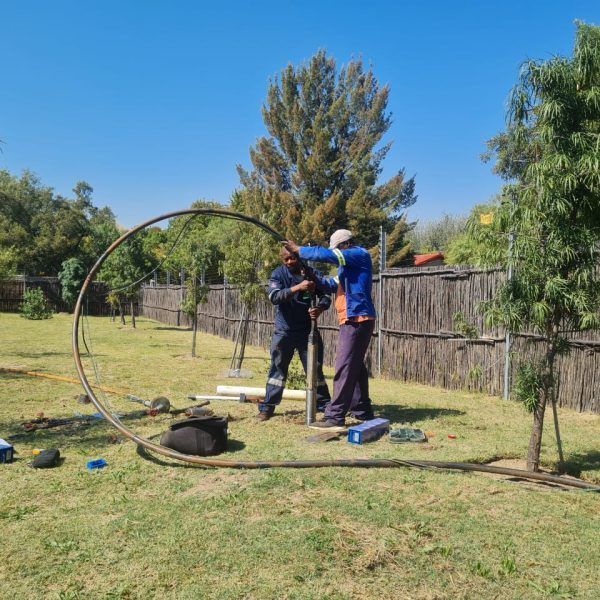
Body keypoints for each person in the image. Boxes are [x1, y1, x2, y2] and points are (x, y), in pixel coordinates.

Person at [284, 229, 376, 431]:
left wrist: (299, 249)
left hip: (357, 319)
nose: (336, 252)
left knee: (344, 366)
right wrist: (311, 275)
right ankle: (362, 410)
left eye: (337, 249)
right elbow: (328, 285)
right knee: (354, 365)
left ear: (345, 245)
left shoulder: (359, 254)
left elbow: (326, 255)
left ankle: (335, 416)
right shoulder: (347, 269)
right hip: (353, 319)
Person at [256, 247, 332, 421]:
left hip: (308, 331)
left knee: (315, 370)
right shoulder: (278, 274)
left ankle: (324, 405)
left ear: (299, 257)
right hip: (284, 332)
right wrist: (299, 287)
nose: (289, 262)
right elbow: (274, 297)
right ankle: (268, 407)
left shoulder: (312, 273)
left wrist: (320, 308)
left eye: (292, 258)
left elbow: (326, 295)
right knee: (278, 369)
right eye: (286, 259)